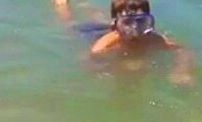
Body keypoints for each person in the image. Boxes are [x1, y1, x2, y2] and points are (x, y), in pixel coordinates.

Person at [52, 0, 194, 86]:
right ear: (117, 25)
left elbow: (182, 50)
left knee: (104, 20)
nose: (135, 29)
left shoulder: (154, 39)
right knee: (69, 25)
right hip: (91, 32)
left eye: (141, 22)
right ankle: (62, 5)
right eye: (128, 23)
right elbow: (87, 61)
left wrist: (181, 71)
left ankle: (87, 6)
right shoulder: (105, 45)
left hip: (113, 26)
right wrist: (117, 68)